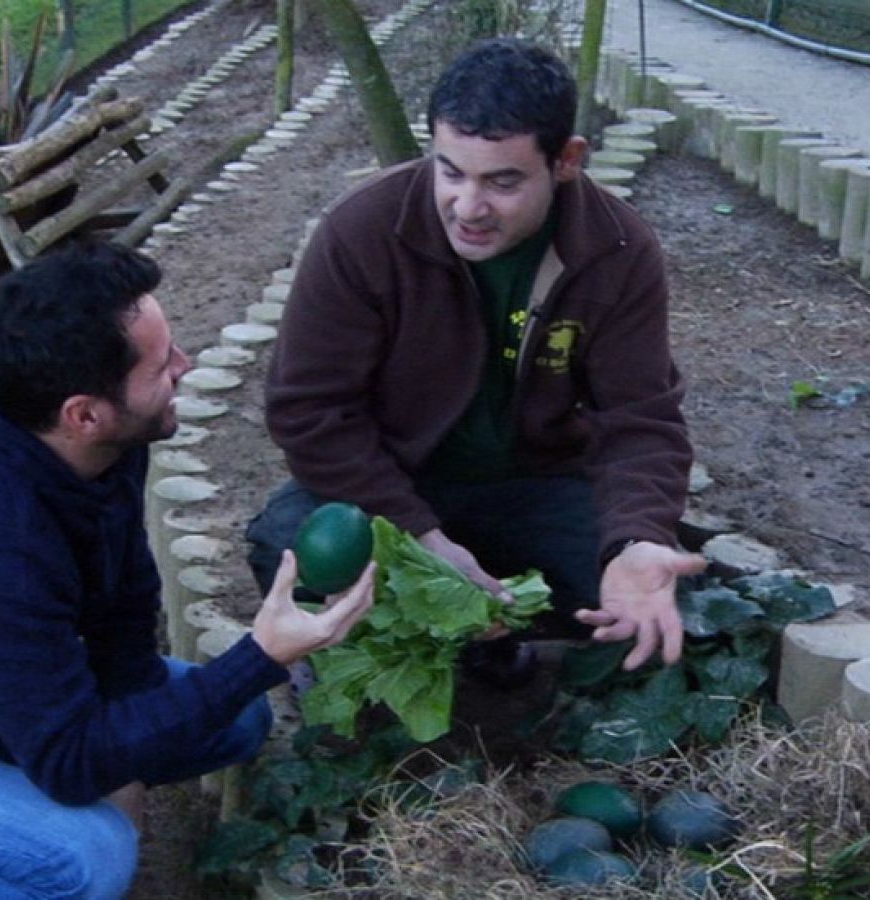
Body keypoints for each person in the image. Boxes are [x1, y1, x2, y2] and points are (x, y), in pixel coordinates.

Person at [0, 241, 374, 899]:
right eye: (162, 364)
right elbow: (70, 763)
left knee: (238, 719)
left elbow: (125, 610)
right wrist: (259, 655)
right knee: (88, 860)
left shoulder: (101, 447)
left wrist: (137, 724)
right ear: (83, 413)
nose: (184, 367)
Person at [246, 38, 702, 684]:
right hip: (397, 482)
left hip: (536, 486)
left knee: (646, 602)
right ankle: (360, 665)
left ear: (566, 161)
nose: (467, 207)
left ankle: (491, 644)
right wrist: (422, 538)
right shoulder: (361, 233)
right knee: (286, 540)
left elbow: (641, 419)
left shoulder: (619, 250)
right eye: (451, 171)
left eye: (503, 181)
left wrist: (636, 540)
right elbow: (308, 412)